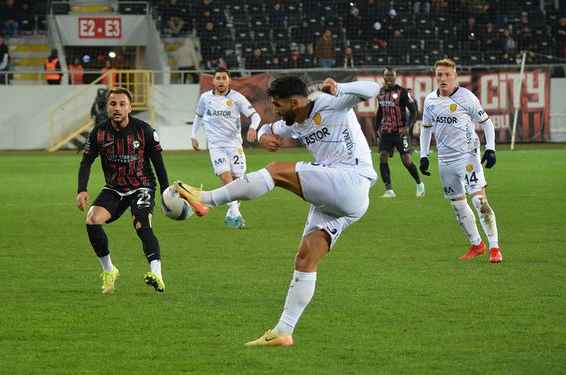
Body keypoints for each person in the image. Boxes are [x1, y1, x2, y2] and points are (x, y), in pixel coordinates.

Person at [176, 75, 380, 346]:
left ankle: (206, 199)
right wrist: (263, 138)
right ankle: (284, 331)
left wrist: (341, 87)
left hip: (353, 179)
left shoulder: (332, 102)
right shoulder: (291, 121)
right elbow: (267, 129)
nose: (275, 110)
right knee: (305, 259)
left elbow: (373, 89)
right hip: (340, 198)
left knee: (276, 171)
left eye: (278, 105)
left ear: (295, 102)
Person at [76, 87, 171, 294]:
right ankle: (109, 270)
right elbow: (86, 162)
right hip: (114, 188)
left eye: (122, 104)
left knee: (142, 224)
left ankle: (157, 274)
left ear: (130, 107)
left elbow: (158, 163)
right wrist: (82, 189)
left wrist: (165, 192)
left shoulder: (144, 130)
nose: (117, 108)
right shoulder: (99, 132)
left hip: (141, 185)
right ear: (107, 107)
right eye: (113, 104)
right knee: (92, 219)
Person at [419, 58, 502, 263]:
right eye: (439, 75)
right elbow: (426, 129)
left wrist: (490, 149)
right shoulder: (430, 100)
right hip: (445, 161)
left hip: (468, 157)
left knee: (479, 201)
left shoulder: (467, 98)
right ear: (435, 76)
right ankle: (477, 245)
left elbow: (487, 124)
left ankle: (494, 248)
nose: (443, 78)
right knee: (458, 206)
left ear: (455, 76)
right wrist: (423, 155)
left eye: (447, 75)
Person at [190, 67, 261, 229]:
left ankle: (231, 212)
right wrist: (193, 136)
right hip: (216, 145)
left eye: (224, 78)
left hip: (235, 146)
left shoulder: (237, 98)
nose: (221, 81)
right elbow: (199, 116)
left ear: (229, 80)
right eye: (218, 78)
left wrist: (252, 128)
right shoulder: (205, 98)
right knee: (226, 178)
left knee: (238, 184)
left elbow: (255, 115)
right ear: (213, 81)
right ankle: (236, 214)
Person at [374, 67, 424, 198]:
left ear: (395, 78)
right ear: (384, 77)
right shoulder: (380, 92)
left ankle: (419, 184)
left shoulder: (402, 92)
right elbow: (380, 111)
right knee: (382, 157)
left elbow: (413, 111)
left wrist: (408, 126)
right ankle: (389, 190)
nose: (389, 78)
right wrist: (376, 129)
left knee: (406, 160)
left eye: (391, 76)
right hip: (386, 131)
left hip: (400, 132)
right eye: (387, 76)